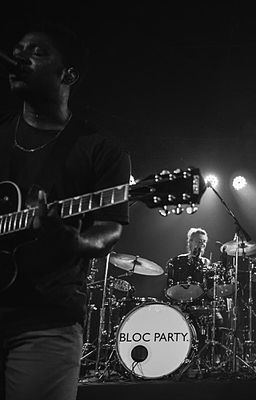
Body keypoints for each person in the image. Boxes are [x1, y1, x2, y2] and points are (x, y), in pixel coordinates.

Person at [0, 23, 131, 400]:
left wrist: (73, 241)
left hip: (45, 319)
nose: (21, 57)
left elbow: (109, 230)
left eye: (38, 52)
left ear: (68, 73)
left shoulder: (100, 149)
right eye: (19, 49)